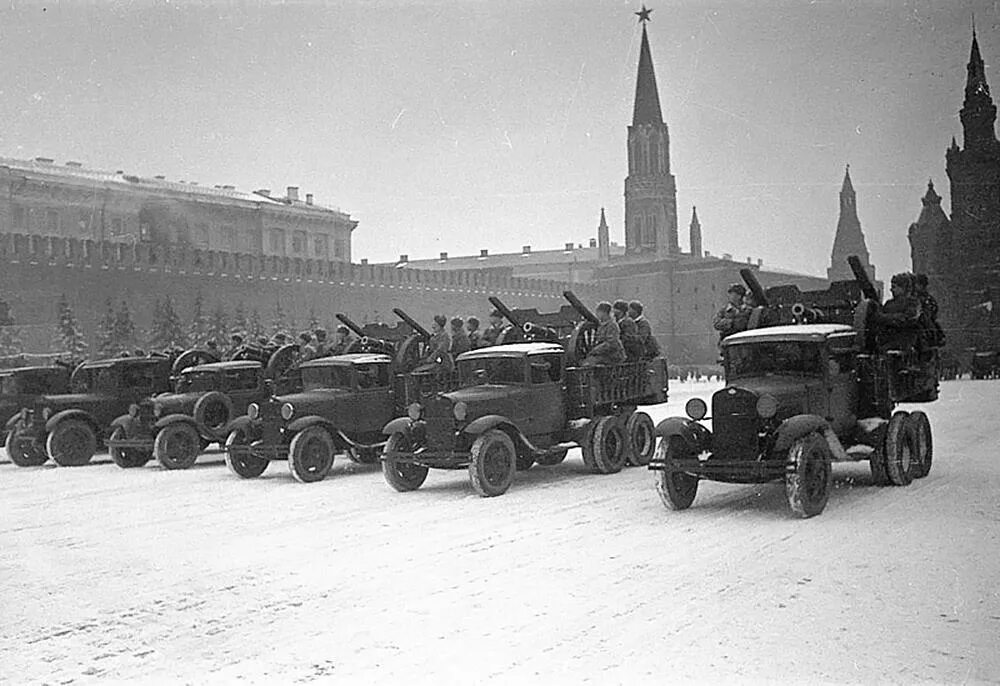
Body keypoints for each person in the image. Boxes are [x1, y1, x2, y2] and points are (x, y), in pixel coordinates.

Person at [877, 273, 920, 351]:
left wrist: (886, 318)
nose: (891, 290)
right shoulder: (888, 304)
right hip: (887, 341)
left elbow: (906, 318)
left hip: (904, 343)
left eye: (894, 287)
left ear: (903, 288)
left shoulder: (912, 303)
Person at [582, 302, 626, 366]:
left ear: (604, 313)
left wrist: (595, 350)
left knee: (588, 363)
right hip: (604, 353)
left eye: (598, 312)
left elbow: (611, 343)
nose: (597, 314)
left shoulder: (612, 325)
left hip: (613, 355)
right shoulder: (602, 324)